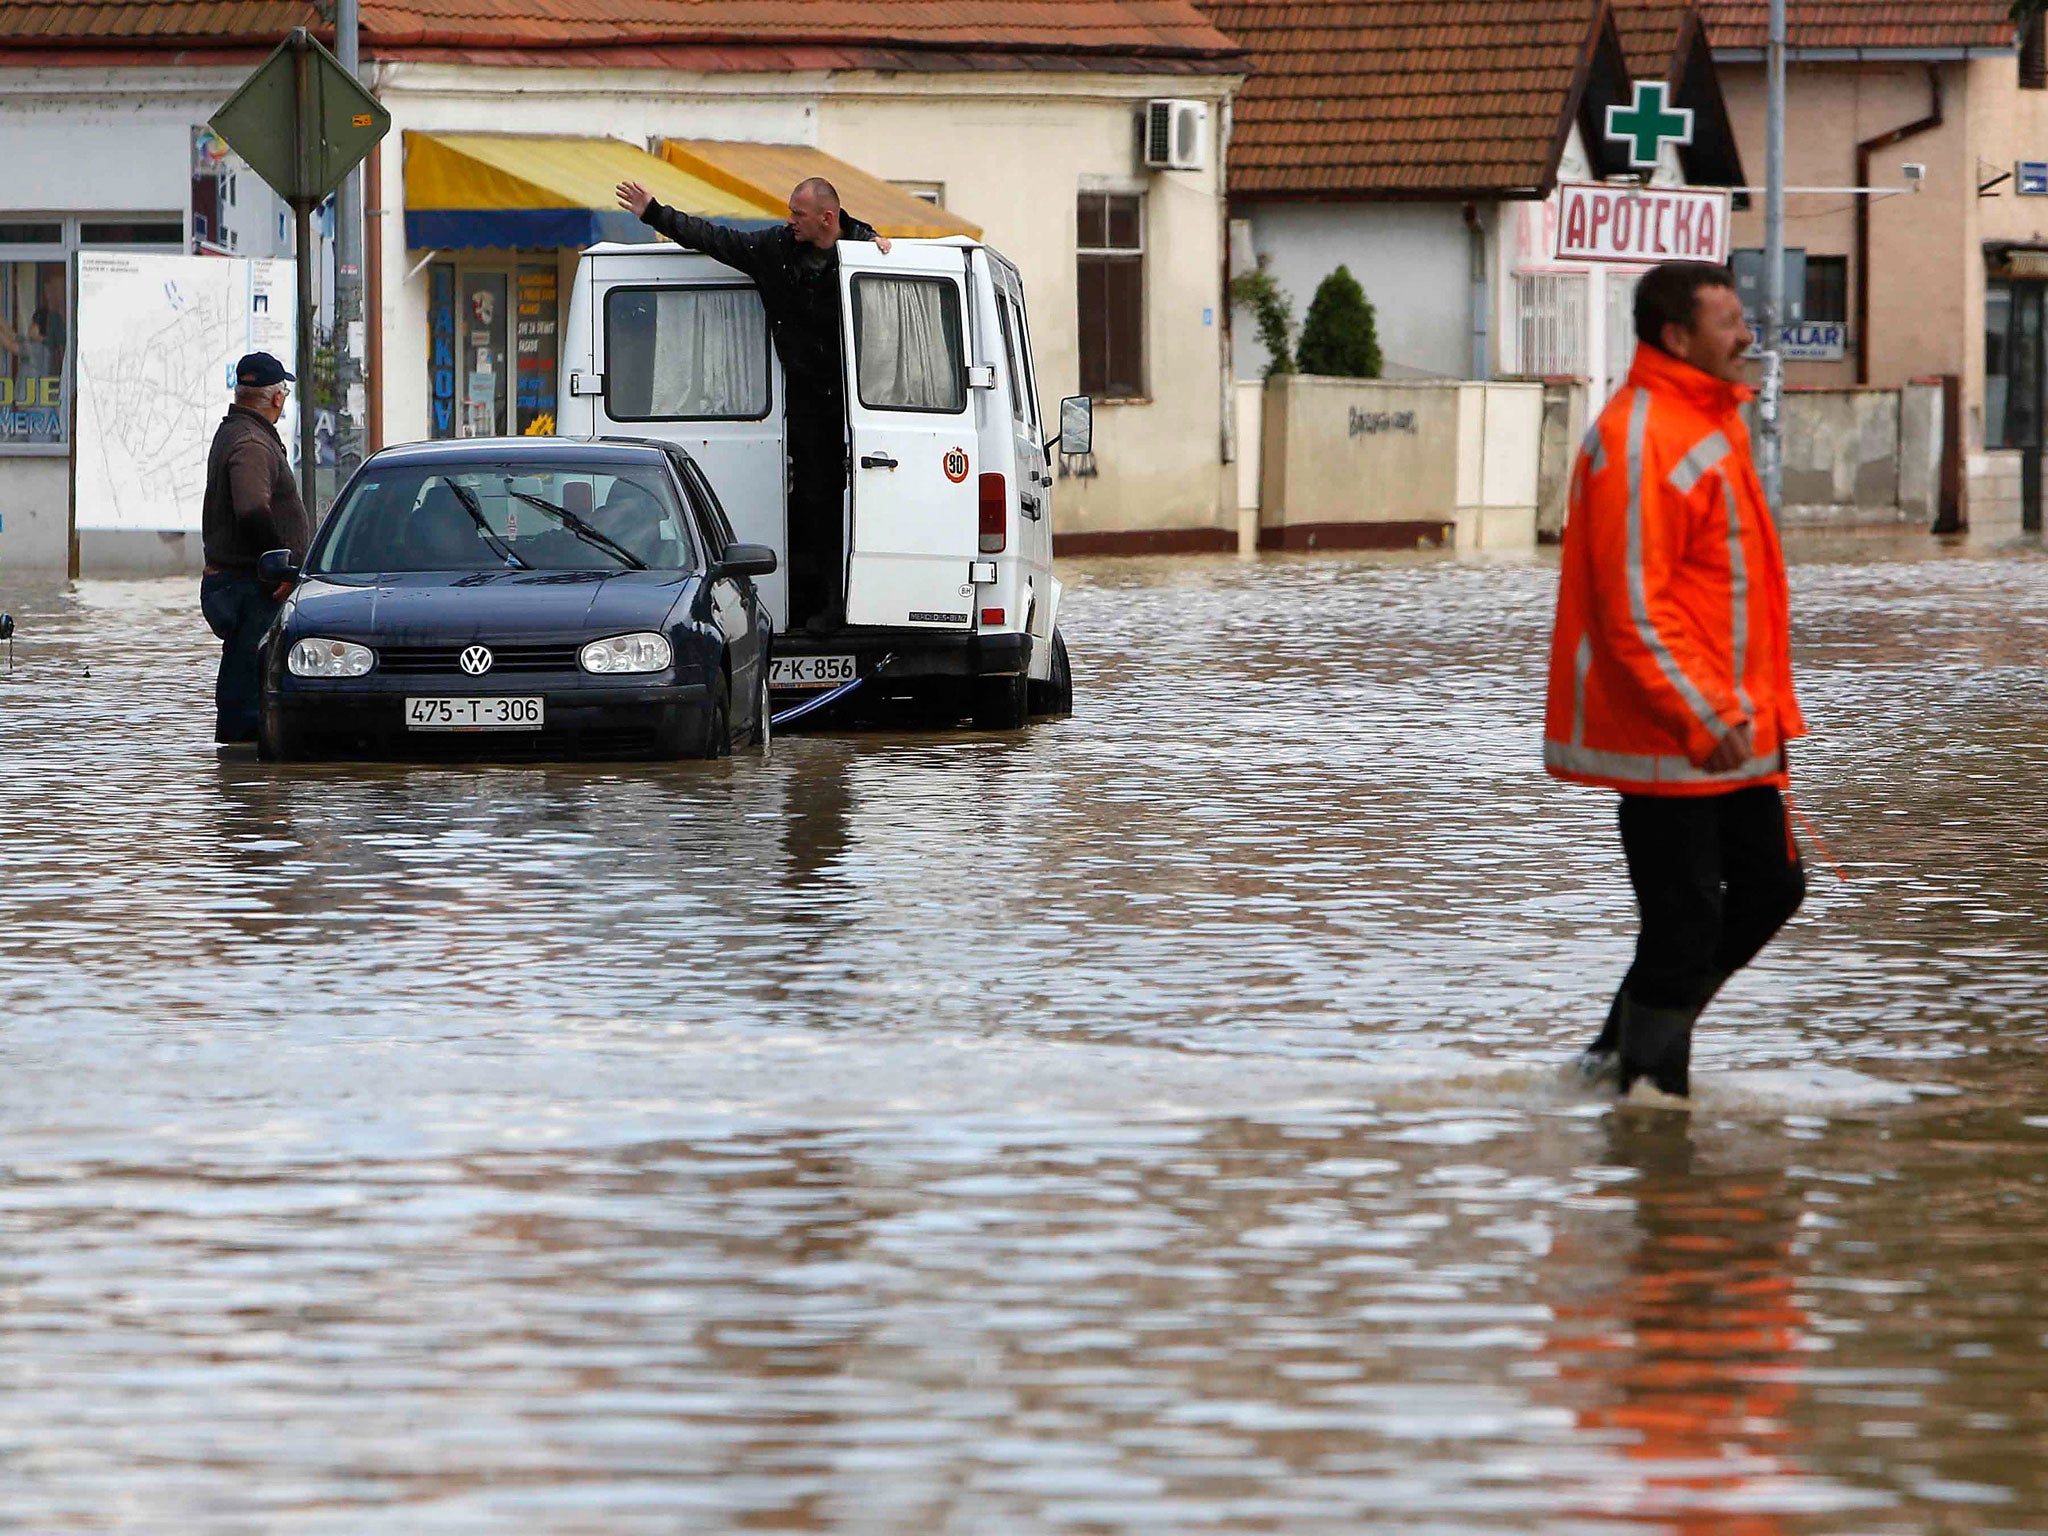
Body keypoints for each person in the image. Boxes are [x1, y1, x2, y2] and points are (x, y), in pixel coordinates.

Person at [1543, 261, 1808, 1098]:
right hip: (1672, 734)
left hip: (1729, 725)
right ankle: (1650, 1105)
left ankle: (1615, 1057)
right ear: (1677, 337)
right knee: (1684, 926)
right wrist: (1703, 714)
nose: (1747, 337)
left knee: (1770, 885)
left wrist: (1741, 713)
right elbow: (1632, 609)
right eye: (1730, 322)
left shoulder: (1706, 418)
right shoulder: (1637, 438)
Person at [613, 175, 889, 633]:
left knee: (861, 501)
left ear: (826, 217)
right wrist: (654, 212)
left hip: (861, 401)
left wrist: (873, 237)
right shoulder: (776, 251)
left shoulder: (863, 254)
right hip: (803, 399)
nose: (789, 221)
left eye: (798, 214)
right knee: (812, 503)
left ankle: (860, 602)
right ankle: (813, 606)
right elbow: (715, 238)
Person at [200, 351, 311, 744]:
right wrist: (279, 566)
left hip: (242, 582)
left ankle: (236, 781)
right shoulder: (251, 441)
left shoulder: (237, 431)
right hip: (252, 585)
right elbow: (250, 506)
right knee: (248, 688)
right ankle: (245, 785)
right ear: (277, 398)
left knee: (244, 673)